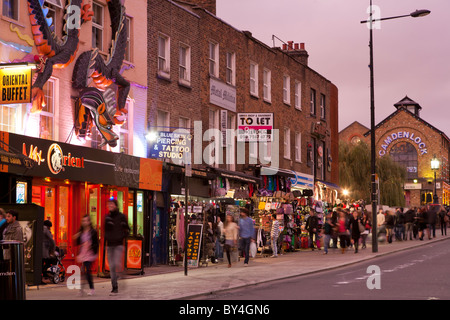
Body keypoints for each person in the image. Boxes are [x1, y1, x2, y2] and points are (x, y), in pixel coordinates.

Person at [104, 199, 129, 295]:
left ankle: (122, 274)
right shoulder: (107, 217)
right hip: (110, 245)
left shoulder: (122, 216)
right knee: (112, 267)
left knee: (116, 263)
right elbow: (105, 231)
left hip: (118, 244)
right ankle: (114, 287)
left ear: (115, 205)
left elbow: (127, 229)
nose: (109, 205)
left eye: (111, 204)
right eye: (108, 204)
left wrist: (122, 236)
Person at [74, 215, 99, 296]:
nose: (85, 222)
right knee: (84, 271)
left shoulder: (93, 231)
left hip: (90, 252)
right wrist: (76, 237)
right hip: (83, 252)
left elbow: (96, 243)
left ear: (89, 222)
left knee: (87, 270)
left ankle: (91, 289)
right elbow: (77, 243)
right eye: (83, 221)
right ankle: (83, 289)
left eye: (86, 221)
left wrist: (91, 247)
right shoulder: (81, 231)